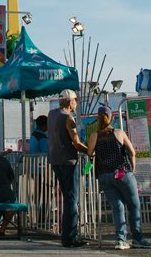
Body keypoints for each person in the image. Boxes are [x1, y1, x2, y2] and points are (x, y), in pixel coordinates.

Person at [88, 106, 151, 250]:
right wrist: (132, 169)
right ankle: (137, 238)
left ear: (98, 118)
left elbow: (90, 152)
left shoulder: (94, 136)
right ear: (110, 118)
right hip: (122, 173)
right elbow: (132, 152)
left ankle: (120, 240)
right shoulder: (118, 133)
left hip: (104, 176)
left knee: (117, 206)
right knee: (134, 205)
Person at [48, 89, 88, 248]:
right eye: (76, 100)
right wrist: (90, 150)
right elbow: (77, 143)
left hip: (55, 160)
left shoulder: (51, 114)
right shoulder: (68, 117)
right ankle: (70, 237)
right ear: (71, 101)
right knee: (72, 199)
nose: (77, 103)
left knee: (67, 197)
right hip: (68, 161)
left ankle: (67, 235)